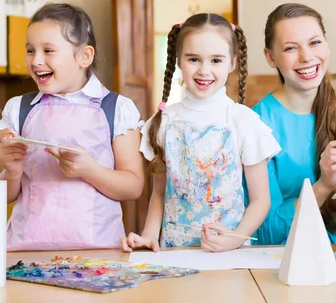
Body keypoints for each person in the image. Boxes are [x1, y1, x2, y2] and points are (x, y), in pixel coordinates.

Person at [120, 13, 280, 253]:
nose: (204, 70)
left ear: (233, 62)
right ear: (179, 61)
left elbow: (260, 201)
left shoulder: (244, 122)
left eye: (216, 60)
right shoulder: (164, 122)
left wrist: (235, 239)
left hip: (230, 255)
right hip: (175, 254)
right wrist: (149, 235)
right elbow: (160, 193)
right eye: (193, 59)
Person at [0, 3, 145, 251]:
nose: (36, 60)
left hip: (100, 252)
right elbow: (0, 195)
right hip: (24, 253)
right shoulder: (17, 109)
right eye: (30, 50)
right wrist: (11, 170)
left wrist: (89, 170)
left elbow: (133, 186)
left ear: (84, 56)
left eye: (48, 50)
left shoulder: (117, 108)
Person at [251, 3, 336, 245]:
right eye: (291, 48)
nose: (307, 57)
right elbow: (267, 232)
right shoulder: (256, 124)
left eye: (314, 42)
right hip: (280, 261)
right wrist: (323, 185)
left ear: (326, 43)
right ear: (270, 57)